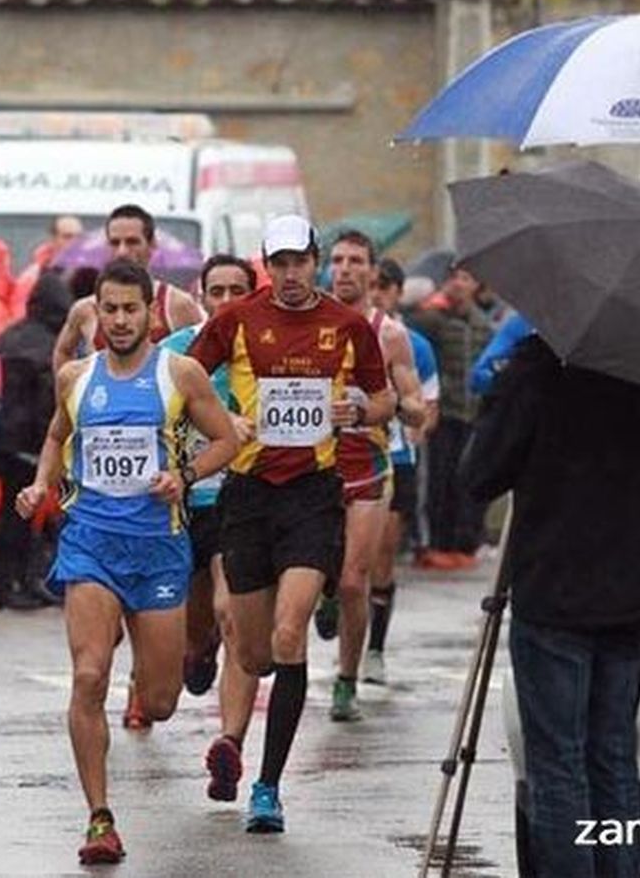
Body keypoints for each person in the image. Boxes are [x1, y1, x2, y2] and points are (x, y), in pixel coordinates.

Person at [14, 259, 238, 867]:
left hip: (159, 549)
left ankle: (160, 669)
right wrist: (41, 486)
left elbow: (228, 440)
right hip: (90, 544)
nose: (118, 320)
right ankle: (99, 819)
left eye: (129, 309)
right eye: (108, 309)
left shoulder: (181, 373)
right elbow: (59, 437)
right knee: (89, 676)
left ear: (149, 313)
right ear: (96, 313)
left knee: (161, 702)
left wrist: (184, 475)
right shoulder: (75, 377)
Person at [188, 215, 393, 835]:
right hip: (249, 495)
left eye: (300, 262)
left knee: (287, 634)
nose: (291, 275)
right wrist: (226, 419)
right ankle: (245, 736)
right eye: (278, 264)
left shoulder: (349, 325)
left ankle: (268, 788)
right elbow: (185, 384)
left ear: (316, 260)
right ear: (265, 265)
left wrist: (357, 407)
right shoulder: (237, 320)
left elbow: (384, 401)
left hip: (312, 493)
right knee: (251, 652)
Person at [462, 335, 640, 878]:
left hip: (553, 591)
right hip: (629, 590)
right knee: (613, 758)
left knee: (558, 766)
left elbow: (478, 475)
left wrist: (502, 400)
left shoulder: (535, 368)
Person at [160, 253, 260, 800]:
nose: (225, 302)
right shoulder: (177, 353)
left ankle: (230, 743)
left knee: (234, 615)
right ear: (201, 295)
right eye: (215, 291)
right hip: (186, 500)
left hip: (241, 498)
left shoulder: (266, 349)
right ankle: (197, 654)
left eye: (236, 291)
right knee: (198, 629)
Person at [323, 232, 425, 723]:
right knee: (319, 571)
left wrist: (383, 405)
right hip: (313, 465)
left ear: (372, 272)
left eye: (355, 261)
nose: (345, 269)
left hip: (368, 463)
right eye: (337, 260)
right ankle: (322, 594)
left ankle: (346, 679)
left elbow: (416, 408)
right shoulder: (309, 322)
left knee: (352, 580)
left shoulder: (390, 334)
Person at [363, 257, 440, 686]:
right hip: (342, 459)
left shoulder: (413, 344)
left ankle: (375, 648)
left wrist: (413, 427)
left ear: (395, 292)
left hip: (395, 458)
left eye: (382, 286)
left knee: (382, 558)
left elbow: (429, 409)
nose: (374, 293)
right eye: (368, 284)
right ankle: (334, 601)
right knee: (345, 560)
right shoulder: (337, 331)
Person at [0, 271, 72, 611]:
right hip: (27, 445)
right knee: (20, 516)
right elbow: (48, 403)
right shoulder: (48, 345)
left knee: (10, 511)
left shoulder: (5, 338)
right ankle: (13, 584)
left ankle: (8, 583)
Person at [408, 256, 493, 568]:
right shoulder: (434, 319)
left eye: (467, 278)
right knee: (438, 480)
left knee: (466, 478)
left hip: (472, 414)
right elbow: (411, 326)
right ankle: (436, 543)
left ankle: (463, 543)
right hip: (444, 414)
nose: (459, 283)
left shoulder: (484, 327)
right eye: (455, 277)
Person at [51, 204, 202, 368]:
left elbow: (203, 361)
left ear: (151, 245)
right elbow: (63, 352)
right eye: (115, 243)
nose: (122, 251)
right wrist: (69, 391)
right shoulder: (85, 309)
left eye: (132, 242)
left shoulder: (178, 305)